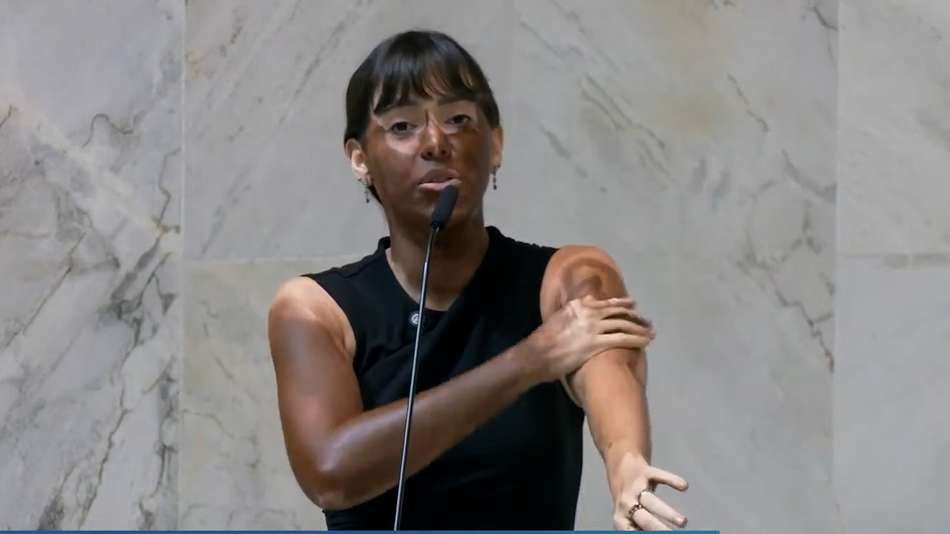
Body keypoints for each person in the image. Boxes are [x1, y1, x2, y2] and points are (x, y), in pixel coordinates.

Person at [267, 29, 689, 530]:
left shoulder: (569, 277)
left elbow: (609, 379)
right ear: (360, 159)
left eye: (458, 120)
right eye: (402, 126)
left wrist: (627, 467)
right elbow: (330, 473)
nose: (435, 142)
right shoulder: (314, 308)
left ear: (496, 145)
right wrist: (529, 361)